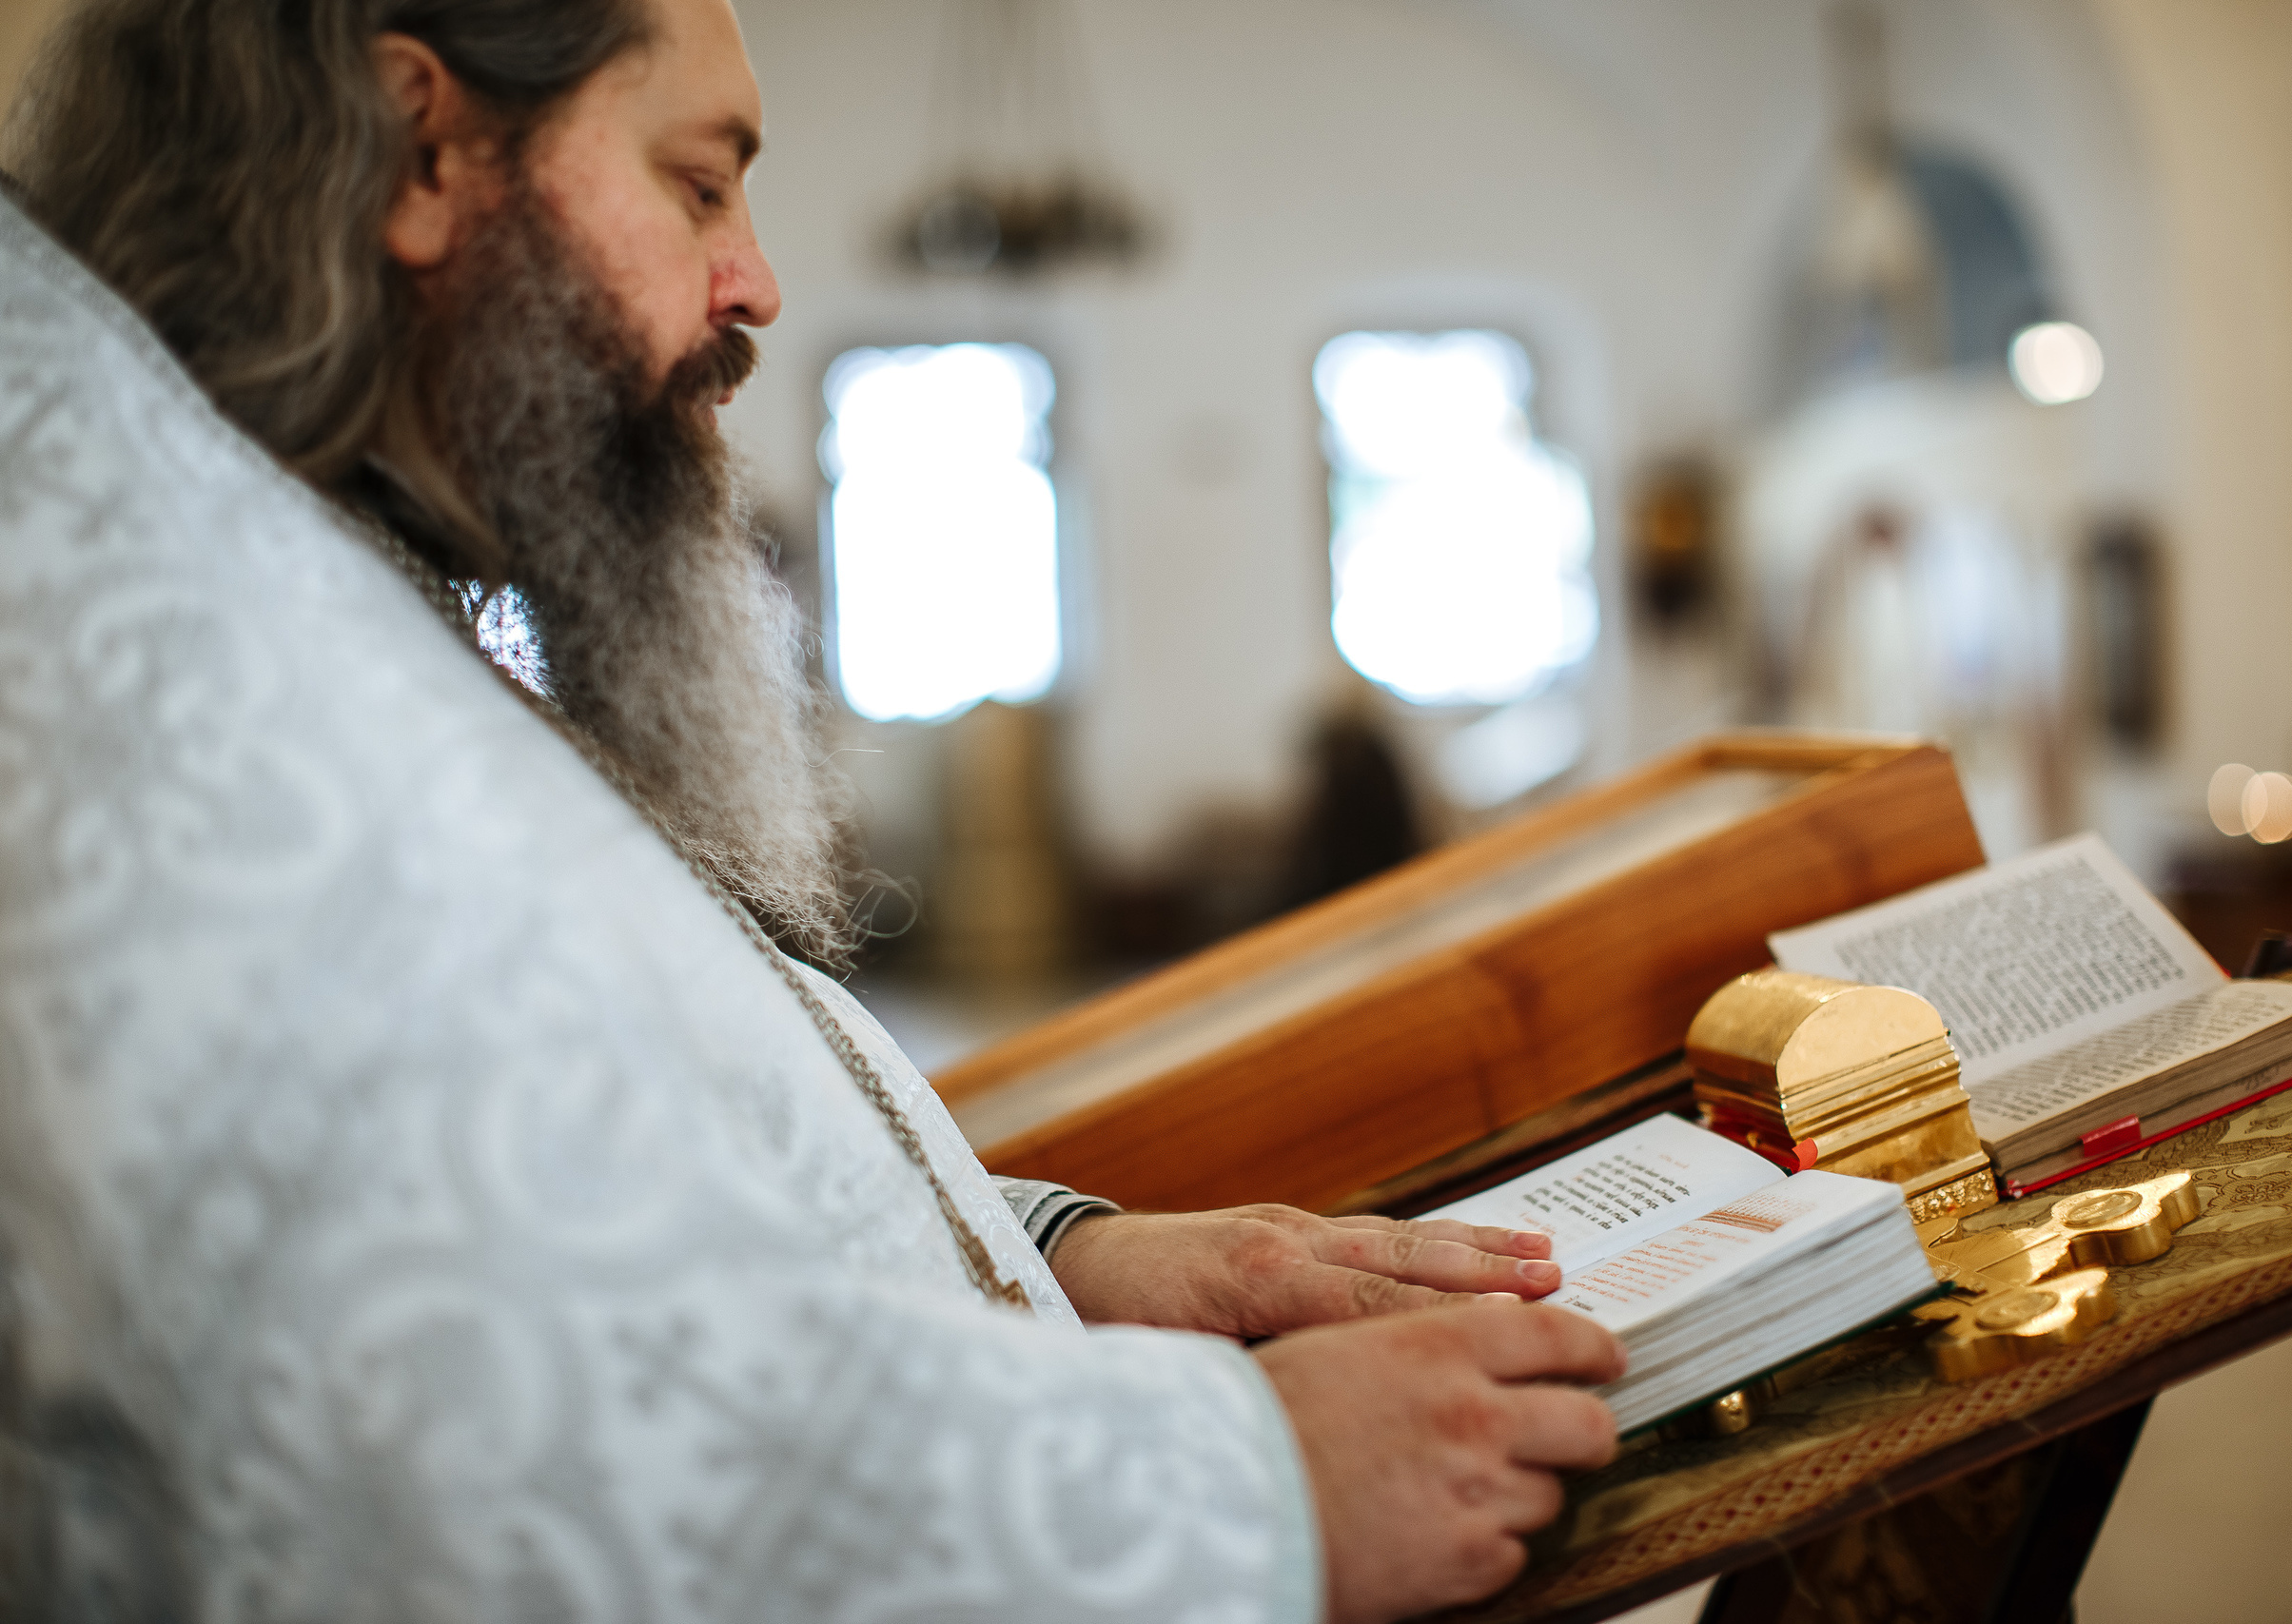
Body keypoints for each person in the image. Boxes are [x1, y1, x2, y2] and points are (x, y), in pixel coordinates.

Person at [0, 1, 1624, 1619]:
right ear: (424, 151)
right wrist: (1243, 1487)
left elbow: (617, 1201)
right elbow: (511, 1479)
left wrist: (1052, 1259)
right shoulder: (237, 720)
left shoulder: (321, 613)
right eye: (700, 184)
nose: (756, 280)